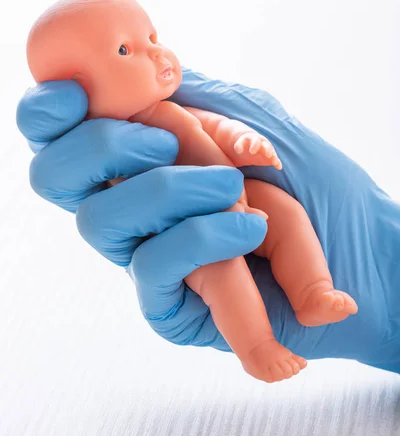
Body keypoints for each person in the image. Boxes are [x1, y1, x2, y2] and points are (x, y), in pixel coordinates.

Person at [16, 67, 400, 375]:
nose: (157, 54)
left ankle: (313, 292)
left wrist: (245, 140)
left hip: (241, 190)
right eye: (124, 49)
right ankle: (256, 347)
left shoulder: (169, 110)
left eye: (152, 36)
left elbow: (214, 128)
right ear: (84, 87)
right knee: (222, 272)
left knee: (288, 212)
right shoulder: (105, 151)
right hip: (190, 227)